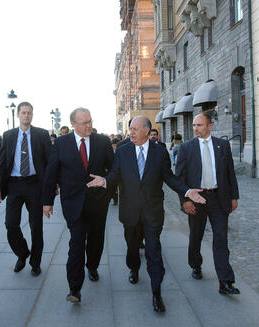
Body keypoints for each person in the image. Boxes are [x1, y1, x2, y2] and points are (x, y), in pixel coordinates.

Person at [87, 115, 206, 312]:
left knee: (153, 250)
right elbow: (115, 175)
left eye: (135, 129)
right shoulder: (123, 152)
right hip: (130, 212)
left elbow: (169, 178)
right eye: (130, 129)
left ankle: (156, 292)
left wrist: (186, 191)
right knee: (132, 248)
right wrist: (105, 181)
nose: (131, 132)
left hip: (153, 211)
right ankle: (133, 268)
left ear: (146, 131)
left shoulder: (160, 152)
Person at [42, 107, 114, 303]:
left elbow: (114, 168)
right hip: (73, 203)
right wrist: (47, 201)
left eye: (90, 121)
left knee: (96, 239)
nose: (89, 125)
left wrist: (106, 181)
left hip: (98, 202)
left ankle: (92, 265)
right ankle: (74, 288)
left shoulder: (102, 141)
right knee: (76, 242)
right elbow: (52, 172)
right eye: (84, 123)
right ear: (73, 124)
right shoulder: (61, 143)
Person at [175, 112, 240, 295]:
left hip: (219, 199)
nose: (195, 128)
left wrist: (234, 196)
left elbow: (230, 174)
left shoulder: (223, 145)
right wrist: (185, 200)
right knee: (196, 236)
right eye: (194, 125)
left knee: (221, 239)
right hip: (197, 199)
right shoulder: (186, 148)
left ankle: (225, 281)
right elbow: (179, 178)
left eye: (200, 125)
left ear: (209, 126)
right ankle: (196, 265)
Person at [0, 102, 52, 276]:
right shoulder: (9, 135)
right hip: (14, 185)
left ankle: (35, 262)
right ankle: (22, 253)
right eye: (24, 113)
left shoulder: (41, 135)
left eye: (29, 113)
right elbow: (3, 163)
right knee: (10, 224)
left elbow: (50, 162)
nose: (27, 116)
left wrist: (52, 185)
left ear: (32, 115)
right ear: (18, 115)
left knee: (36, 226)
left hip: (35, 185)